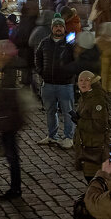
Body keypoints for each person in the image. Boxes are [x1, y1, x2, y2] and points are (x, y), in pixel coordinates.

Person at [35, 16, 77, 147]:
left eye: (60, 26)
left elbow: (77, 59)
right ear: (52, 28)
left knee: (68, 111)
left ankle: (69, 137)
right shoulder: (45, 42)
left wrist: (70, 73)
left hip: (65, 84)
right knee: (50, 111)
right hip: (48, 84)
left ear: (64, 28)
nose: (58, 28)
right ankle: (52, 135)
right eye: (56, 26)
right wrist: (41, 71)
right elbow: (38, 57)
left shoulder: (70, 43)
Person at [0, 56, 27, 200]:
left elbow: (7, 107)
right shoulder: (10, 82)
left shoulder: (7, 84)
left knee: (12, 157)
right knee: (12, 156)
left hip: (9, 125)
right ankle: (15, 187)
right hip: (10, 124)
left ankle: (15, 188)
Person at [72, 71, 110, 181]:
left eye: (87, 80)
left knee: (94, 179)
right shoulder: (85, 97)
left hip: (95, 149)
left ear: (93, 82)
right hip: (87, 145)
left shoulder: (97, 100)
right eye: (81, 80)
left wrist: (80, 121)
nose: (83, 83)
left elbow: (100, 125)